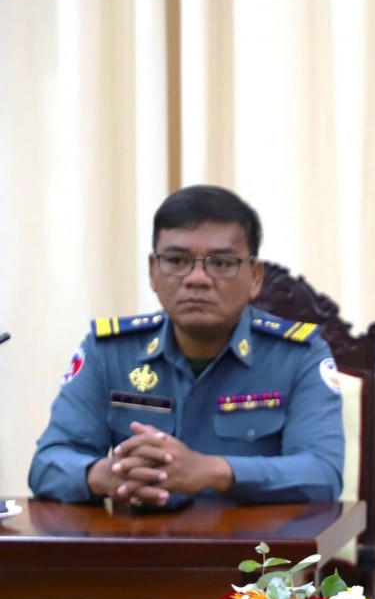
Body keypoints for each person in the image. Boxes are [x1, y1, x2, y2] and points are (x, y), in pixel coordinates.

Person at [28, 185, 344, 508]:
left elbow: (322, 474)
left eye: (221, 263)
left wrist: (212, 472)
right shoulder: (109, 352)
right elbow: (47, 464)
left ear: (255, 277)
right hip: (138, 537)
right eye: (176, 260)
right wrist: (106, 474)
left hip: (253, 540)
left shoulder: (298, 355)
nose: (196, 279)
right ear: (153, 272)